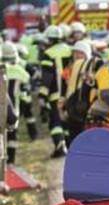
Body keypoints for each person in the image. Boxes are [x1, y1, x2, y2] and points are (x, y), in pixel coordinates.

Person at [39, 25, 72, 157]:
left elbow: (47, 77)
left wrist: (42, 95)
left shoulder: (48, 54)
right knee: (68, 122)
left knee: (55, 122)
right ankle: (70, 147)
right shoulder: (70, 50)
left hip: (56, 95)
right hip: (71, 95)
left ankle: (60, 147)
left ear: (49, 39)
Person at [2, 42, 31, 164]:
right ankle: (11, 162)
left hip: (1, 109)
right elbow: (26, 91)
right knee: (12, 136)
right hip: (14, 110)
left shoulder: (1, 70)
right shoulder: (22, 72)